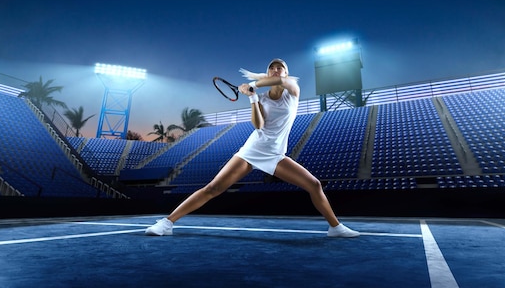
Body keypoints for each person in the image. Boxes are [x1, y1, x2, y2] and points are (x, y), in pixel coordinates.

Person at [145, 59, 359, 238]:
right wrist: (253, 97)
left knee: (314, 184)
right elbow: (258, 125)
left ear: (286, 72)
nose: (276, 70)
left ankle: (335, 228)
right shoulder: (263, 98)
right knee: (213, 189)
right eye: (272, 68)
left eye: (280, 67)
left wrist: (254, 84)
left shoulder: (292, 89)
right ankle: (167, 223)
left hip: (275, 155)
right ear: (267, 72)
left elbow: (280, 81)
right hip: (251, 150)